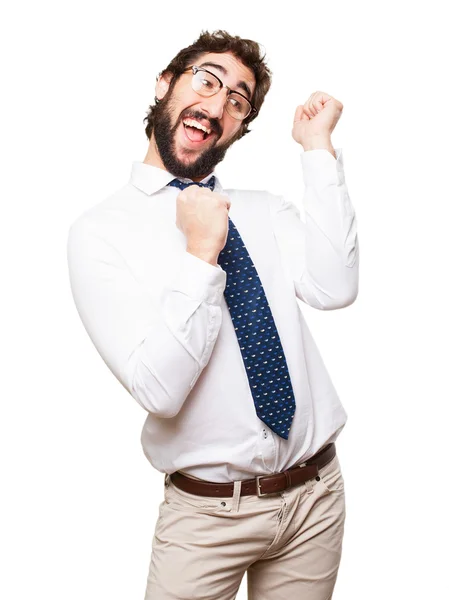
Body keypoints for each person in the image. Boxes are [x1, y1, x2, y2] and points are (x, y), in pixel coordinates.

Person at [67, 28, 359, 600]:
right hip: (206, 519)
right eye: (207, 79)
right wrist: (202, 254)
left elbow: (335, 287)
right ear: (166, 84)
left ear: (240, 128)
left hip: (316, 499)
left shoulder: (264, 209)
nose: (219, 102)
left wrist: (317, 149)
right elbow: (159, 390)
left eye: (238, 100)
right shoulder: (99, 234)